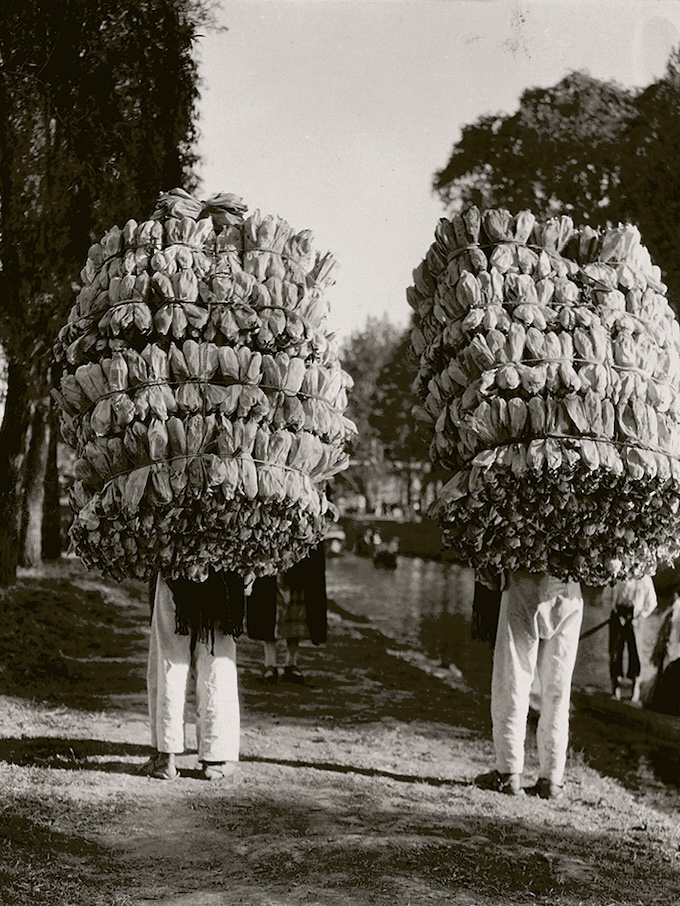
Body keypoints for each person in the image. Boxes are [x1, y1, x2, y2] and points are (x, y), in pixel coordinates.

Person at [475, 570, 583, 800]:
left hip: (528, 578)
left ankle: (508, 772)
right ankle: (552, 779)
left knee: (513, 676)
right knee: (558, 690)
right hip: (571, 585)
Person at [142, 568, 244, 781]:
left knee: (169, 663)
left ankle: (165, 757)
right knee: (217, 663)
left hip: (174, 573)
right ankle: (215, 761)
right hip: (223, 577)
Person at [246, 543, 327, 685]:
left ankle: (291, 663)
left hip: (299, 555)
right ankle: (270, 663)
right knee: (269, 608)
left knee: (297, 611)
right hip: (270, 552)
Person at [600, 576, 657, 702]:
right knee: (615, 652)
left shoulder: (645, 577)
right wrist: (614, 613)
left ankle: (635, 687)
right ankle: (616, 687)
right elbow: (605, 597)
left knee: (635, 652)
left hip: (635, 618)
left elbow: (652, 602)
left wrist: (640, 616)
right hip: (617, 615)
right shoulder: (618, 573)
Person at [648, 593, 680, 714]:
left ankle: (660, 701)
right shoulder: (675, 608)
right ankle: (659, 701)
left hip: (673, 645)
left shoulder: (675, 608)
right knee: (665, 671)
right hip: (670, 644)